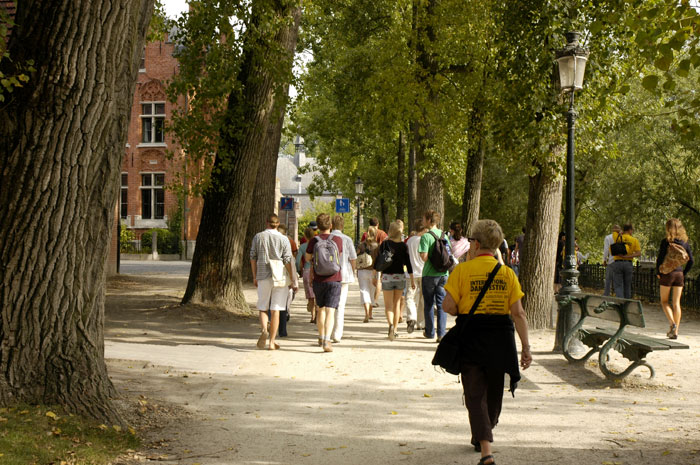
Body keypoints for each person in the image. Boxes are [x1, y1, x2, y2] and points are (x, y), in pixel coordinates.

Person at [442, 219, 532, 465]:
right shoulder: (507, 273)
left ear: (477, 243)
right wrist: (526, 347)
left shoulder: (461, 271)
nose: (469, 243)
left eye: (471, 240)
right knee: (494, 390)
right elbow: (519, 314)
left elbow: (448, 306)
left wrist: (466, 304)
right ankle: (485, 433)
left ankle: (485, 446)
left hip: (472, 335)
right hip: (500, 337)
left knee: (474, 392)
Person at [249, 214, 297, 350]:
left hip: (263, 274)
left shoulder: (258, 237)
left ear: (267, 223)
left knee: (263, 307)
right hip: (279, 276)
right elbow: (287, 259)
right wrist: (292, 277)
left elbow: (252, 256)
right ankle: (272, 341)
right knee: (276, 309)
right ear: (278, 224)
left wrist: (254, 275)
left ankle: (264, 329)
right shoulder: (284, 239)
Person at [305, 213, 343, 352]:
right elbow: (338, 255)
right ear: (331, 226)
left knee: (320, 309)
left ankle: (321, 337)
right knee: (330, 311)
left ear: (318, 226)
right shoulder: (338, 240)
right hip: (334, 278)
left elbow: (308, 257)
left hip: (318, 279)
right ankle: (327, 340)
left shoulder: (313, 241)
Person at [376, 221, 415, 340]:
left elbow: (380, 260)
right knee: (396, 304)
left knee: (388, 306)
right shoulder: (404, 246)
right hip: (400, 277)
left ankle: (391, 326)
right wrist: (412, 280)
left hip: (387, 276)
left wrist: (378, 275)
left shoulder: (385, 244)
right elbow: (408, 264)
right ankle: (396, 329)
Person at [655, 218, 694, 339]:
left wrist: (658, 272)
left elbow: (660, 258)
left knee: (664, 301)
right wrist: (684, 273)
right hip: (679, 274)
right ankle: (676, 332)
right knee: (677, 303)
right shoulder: (685, 243)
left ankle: (672, 324)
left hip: (667, 274)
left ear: (668, 228)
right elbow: (691, 261)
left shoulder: (666, 242)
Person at [419, 210, 449, 342]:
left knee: (429, 303)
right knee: (442, 304)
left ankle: (430, 332)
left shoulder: (426, 237)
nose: (422, 221)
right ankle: (441, 334)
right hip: (443, 274)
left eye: (424, 219)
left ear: (430, 221)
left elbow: (424, 257)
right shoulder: (444, 235)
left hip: (429, 274)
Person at [330, 215, 357, 343]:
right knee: (340, 305)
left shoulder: (328, 238)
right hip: (344, 274)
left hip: (328, 273)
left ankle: (327, 330)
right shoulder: (347, 239)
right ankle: (337, 333)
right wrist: (354, 271)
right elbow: (352, 258)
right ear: (342, 225)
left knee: (329, 304)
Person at [276, 224, 298, 337]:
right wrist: (293, 281)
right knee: (283, 305)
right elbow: (290, 261)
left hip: (271, 276)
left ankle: (269, 327)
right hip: (283, 277)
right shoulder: (287, 241)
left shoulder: (269, 240)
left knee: (272, 304)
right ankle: (282, 330)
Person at [609, 224, 641, 299]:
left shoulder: (618, 237)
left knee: (618, 285)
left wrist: (620, 231)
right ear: (630, 230)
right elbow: (638, 253)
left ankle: (620, 303)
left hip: (617, 263)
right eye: (632, 230)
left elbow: (614, 229)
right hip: (628, 263)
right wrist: (627, 256)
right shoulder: (634, 240)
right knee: (627, 285)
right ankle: (627, 303)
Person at [406, 219, 427, 332]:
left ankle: (411, 317)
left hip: (411, 273)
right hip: (424, 272)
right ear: (424, 229)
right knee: (422, 298)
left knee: (410, 297)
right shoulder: (424, 240)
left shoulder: (409, 241)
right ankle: (421, 322)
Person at [357, 226, 380, 322]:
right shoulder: (377, 246)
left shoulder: (361, 245)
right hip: (373, 271)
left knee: (364, 291)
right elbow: (379, 260)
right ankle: (370, 314)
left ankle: (366, 313)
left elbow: (356, 256)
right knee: (371, 291)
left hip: (362, 271)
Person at [296, 227, 318, 323]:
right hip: (316, 271)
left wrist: (298, 270)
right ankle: (318, 314)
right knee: (317, 294)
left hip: (306, 270)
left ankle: (312, 316)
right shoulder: (317, 245)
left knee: (310, 296)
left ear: (305, 236)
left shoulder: (302, 247)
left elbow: (297, 261)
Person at [602, 225, 621, 296]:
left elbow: (606, 249)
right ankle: (619, 296)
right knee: (619, 281)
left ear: (612, 230)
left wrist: (604, 260)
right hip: (621, 261)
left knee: (608, 279)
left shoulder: (608, 237)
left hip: (611, 261)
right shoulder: (623, 237)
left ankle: (607, 294)